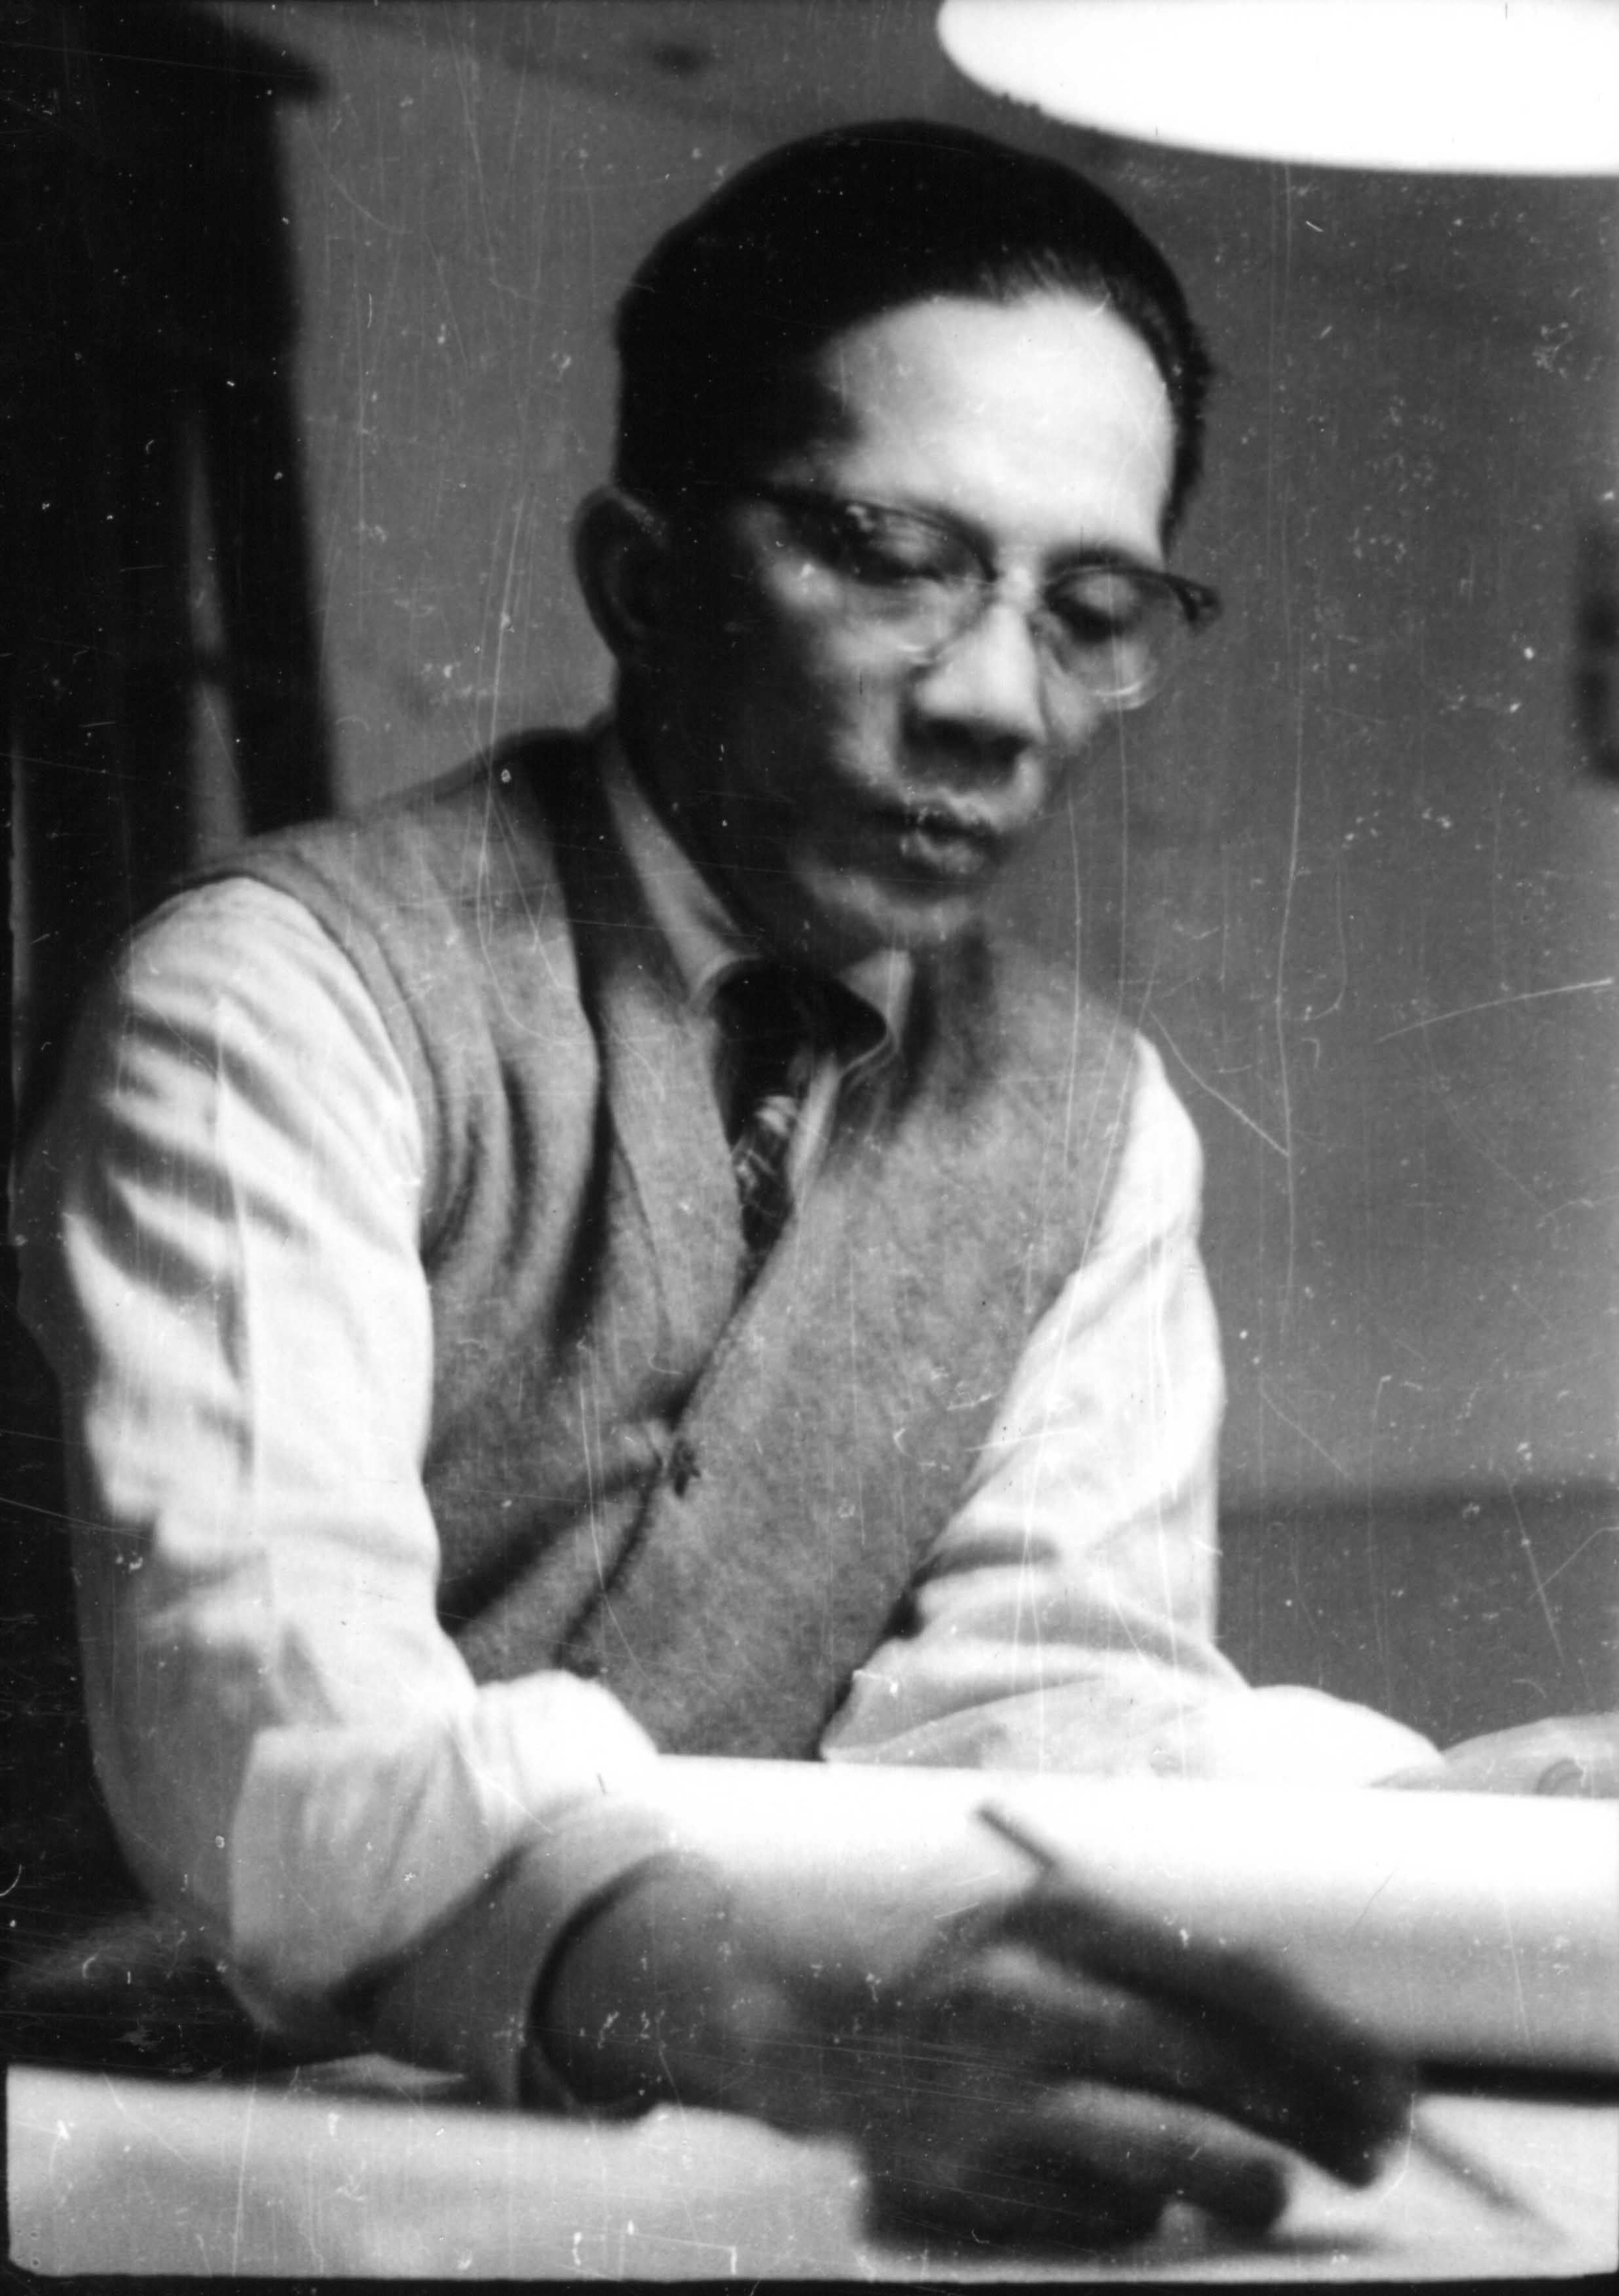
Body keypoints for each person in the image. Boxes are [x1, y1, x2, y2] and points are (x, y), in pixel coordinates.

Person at [16, 121, 1432, 2244]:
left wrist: (1447, 1822)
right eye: (886, 554)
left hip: (612, 2182)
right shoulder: (276, 999)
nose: (992, 704)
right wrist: (801, 2032)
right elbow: (275, 1766)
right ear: (639, 577)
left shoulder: (1098, 1119)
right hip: (106, 2164)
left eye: (1092, 606)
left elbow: (1031, 1713)